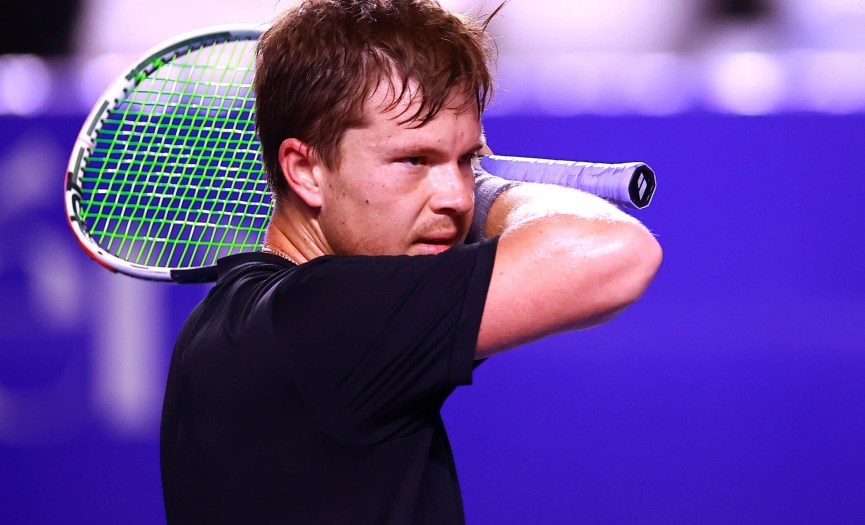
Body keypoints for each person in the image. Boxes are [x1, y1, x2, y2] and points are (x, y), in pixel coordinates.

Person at [159, 0, 663, 524]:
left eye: (466, 159)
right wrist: (489, 189)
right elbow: (618, 252)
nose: (455, 197)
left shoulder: (243, 318)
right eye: (414, 159)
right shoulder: (325, 318)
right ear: (305, 170)